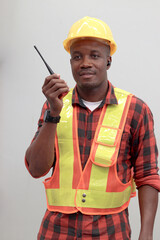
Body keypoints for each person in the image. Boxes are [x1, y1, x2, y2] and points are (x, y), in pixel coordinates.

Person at [25, 16, 160, 240]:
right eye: (77, 56)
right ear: (70, 63)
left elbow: (147, 176)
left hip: (111, 233)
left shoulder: (136, 110)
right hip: (56, 233)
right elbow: (36, 169)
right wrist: (53, 114)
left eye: (94, 55)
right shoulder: (54, 106)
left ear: (108, 61)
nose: (85, 62)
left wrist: (146, 233)